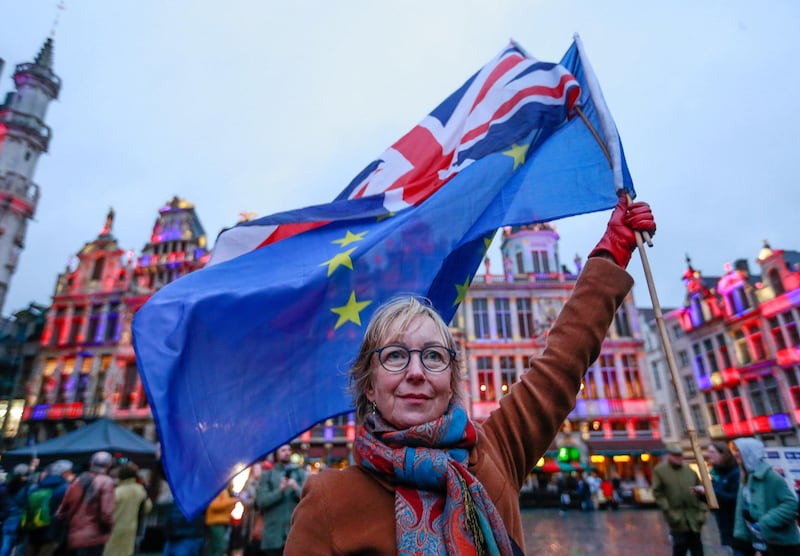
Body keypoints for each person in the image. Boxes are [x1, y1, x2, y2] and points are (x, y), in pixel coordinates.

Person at [284, 196, 657, 554]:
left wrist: (613, 250)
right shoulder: (328, 501)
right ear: (369, 386)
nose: (416, 372)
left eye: (433, 356)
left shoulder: (495, 453)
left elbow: (562, 361)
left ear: (452, 381)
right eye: (395, 356)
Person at [731, 437, 800, 556]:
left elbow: (791, 503)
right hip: (761, 542)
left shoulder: (770, 476)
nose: (735, 454)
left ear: (749, 452)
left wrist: (765, 522)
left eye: (739, 451)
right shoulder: (745, 477)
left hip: (782, 543)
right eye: (735, 451)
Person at [651, 443, 708, 556]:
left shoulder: (689, 470)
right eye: (676, 456)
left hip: (694, 516)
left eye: (680, 456)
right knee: (680, 547)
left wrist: (702, 511)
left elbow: (701, 492)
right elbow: (658, 493)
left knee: (697, 548)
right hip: (676, 517)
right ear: (669, 456)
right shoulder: (660, 470)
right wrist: (669, 511)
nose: (679, 458)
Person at [56, 451, 116, 556]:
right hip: (94, 537)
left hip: (73, 535)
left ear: (92, 463)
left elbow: (63, 509)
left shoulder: (78, 480)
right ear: (109, 465)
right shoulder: (106, 482)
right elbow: (106, 513)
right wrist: (109, 528)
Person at [256, 445, 305, 556]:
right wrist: (280, 491)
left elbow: (309, 499)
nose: (287, 453)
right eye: (283, 450)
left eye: (289, 450)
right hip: (273, 537)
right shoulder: (267, 476)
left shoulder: (300, 474)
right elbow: (261, 502)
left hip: (296, 536)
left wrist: (296, 488)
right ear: (276, 454)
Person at [694, 442, 740, 552]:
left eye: (712, 452)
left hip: (736, 525)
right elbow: (715, 503)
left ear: (723, 454)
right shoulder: (717, 474)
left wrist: (710, 492)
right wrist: (703, 496)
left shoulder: (735, 473)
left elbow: (736, 499)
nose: (709, 455)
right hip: (724, 527)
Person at [23, 459, 74, 556]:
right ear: (65, 472)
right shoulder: (65, 487)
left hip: (33, 528)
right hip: (52, 531)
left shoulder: (38, 486)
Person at [103, 462, 152, 556]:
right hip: (131, 529)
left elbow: (107, 510)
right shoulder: (140, 490)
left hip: (114, 528)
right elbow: (148, 507)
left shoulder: (117, 492)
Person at [205, 486, 239, 556]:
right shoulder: (217, 489)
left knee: (214, 548)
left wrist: (233, 505)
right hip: (216, 522)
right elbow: (214, 506)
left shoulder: (225, 490)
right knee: (220, 547)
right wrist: (232, 500)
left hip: (222, 522)